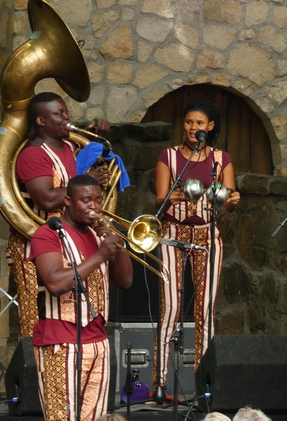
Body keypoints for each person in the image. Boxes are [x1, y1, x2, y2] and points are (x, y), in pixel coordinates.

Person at [7, 91, 111, 337]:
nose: (67, 118)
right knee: (36, 317)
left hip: (68, 239)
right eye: (59, 114)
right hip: (34, 243)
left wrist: (96, 139)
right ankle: (38, 370)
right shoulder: (33, 154)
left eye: (66, 112)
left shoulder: (69, 146)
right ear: (41, 121)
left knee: (74, 310)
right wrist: (84, 182)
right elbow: (45, 197)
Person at [29, 174, 133, 421]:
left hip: (98, 341)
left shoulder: (98, 235)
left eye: (98, 200)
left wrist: (117, 245)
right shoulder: (47, 234)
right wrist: (99, 256)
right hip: (60, 342)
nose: (94, 206)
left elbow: (125, 281)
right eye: (86, 200)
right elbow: (54, 283)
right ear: (68, 201)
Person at [154, 98, 240, 388]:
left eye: (199, 123)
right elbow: (159, 199)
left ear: (210, 127)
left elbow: (227, 203)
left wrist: (233, 201)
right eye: (189, 122)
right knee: (171, 307)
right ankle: (160, 383)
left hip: (207, 235)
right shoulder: (168, 156)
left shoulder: (221, 159)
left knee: (204, 310)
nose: (193, 127)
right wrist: (170, 199)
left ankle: (204, 384)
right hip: (172, 233)